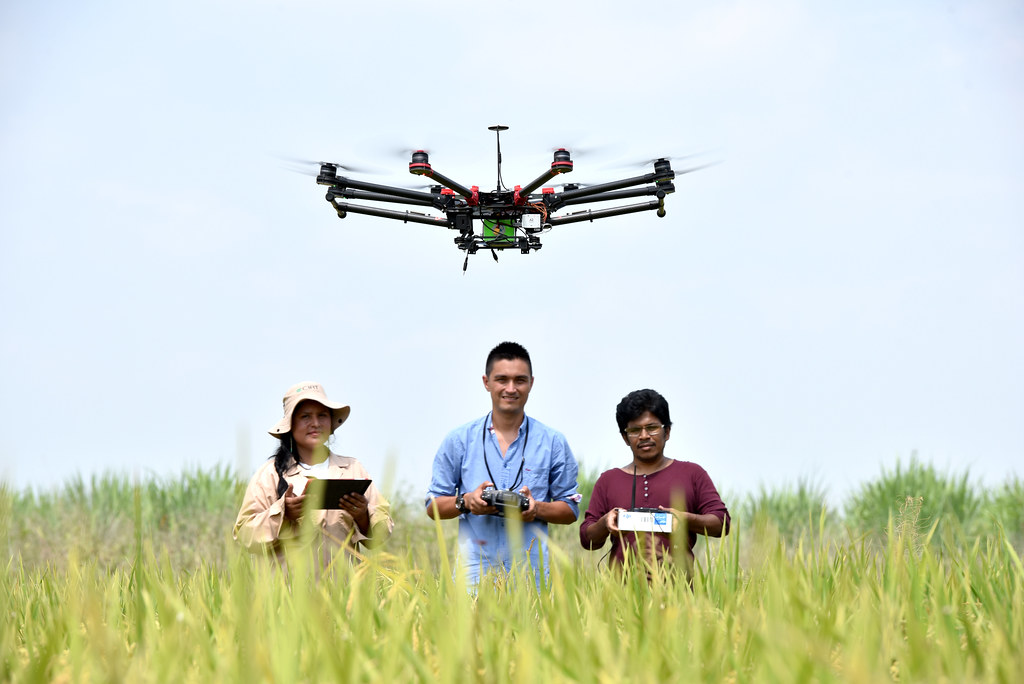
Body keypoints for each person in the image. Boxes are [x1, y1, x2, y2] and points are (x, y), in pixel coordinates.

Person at [425, 341, 581, 587]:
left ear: (531, 383)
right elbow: (432, 505)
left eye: (520, 380)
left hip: (531, 574)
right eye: (502, 380)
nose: (511, 388)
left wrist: (535, 508)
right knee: (471, 628)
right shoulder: (459, 440)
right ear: (487, 382)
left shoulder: (553, 442)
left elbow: (571, 510)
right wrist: (466, 501)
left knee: (534, 627)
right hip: (473, 574)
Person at [234, 381, 393, 566]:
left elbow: (383, 530)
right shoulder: (269, 475)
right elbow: (244, 535)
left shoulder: (352, 468)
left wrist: (363, 516)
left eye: (322, 415)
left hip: (343, 591)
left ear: (331, 422)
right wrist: (283, 514)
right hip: (286, 592)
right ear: (290, 424)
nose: (315, 423)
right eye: (305, 416)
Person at [580, 388, 729, 573]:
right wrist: (605, 523)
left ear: (667, 431)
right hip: (621, 595)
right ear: (625, 438)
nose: (644, 436)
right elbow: (587, 539)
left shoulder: (692, 474)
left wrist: (684, 519)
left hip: (681, 594)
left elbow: (721, 523)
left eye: (652, 428)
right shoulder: (608, 480)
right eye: (634, 430)